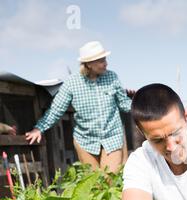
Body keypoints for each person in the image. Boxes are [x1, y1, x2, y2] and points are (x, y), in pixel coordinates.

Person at [25, 41, 135, 173]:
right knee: (93, 183)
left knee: (110, 178)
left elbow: (124, 104)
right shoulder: (72, 83)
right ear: (88, 64)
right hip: (85, 140)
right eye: (101, 61)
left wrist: (141, 104)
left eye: (105, 59)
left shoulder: (112, 77)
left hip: (112, 136)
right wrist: (39, 128)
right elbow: (56, 109)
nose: (106, 63)